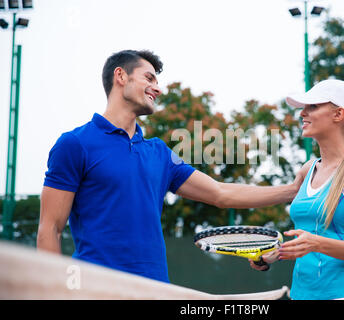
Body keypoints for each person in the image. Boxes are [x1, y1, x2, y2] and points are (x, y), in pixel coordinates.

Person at [37, 49, 302, 283]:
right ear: (121, 76)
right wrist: (55, 291)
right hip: (96, 287)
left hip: (156, 288)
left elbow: (221, 193)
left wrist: (291, 190)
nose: (158, 88)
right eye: (149, 78)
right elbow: (50, 229)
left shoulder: (159, 153)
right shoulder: (74, 144)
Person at [249, 79, 344, 300]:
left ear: (338, 114)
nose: (302, 113)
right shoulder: (307, 170)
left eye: (312, 107)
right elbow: (307, 239)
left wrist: (316, 243)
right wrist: (271, 255)